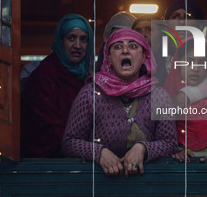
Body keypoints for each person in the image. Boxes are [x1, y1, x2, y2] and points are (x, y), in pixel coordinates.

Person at [62, 29, 178, 177]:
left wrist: (142, 148)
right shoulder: (90, 93)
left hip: (148, 185)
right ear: (109, 58)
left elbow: (170, 143)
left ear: (144, 57)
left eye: (133, 46)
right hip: (99, 185)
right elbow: (69, 142)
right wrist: (99, 152)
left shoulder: (159, 96)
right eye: (117, 47)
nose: (125, 51)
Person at [20, 14, 93, 158]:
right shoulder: (44, 76)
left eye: (83, 39)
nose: (77, 45)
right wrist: (81, 146)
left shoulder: (87, 77)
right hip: (48, 163)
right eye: (71, 38)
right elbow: (41, 129)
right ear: (61, 41)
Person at [132, 14, 168, 85]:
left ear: (162, 34)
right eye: (138, 31)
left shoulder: (172, 62)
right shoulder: (127, 65)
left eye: (149, 30)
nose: (143, 34)